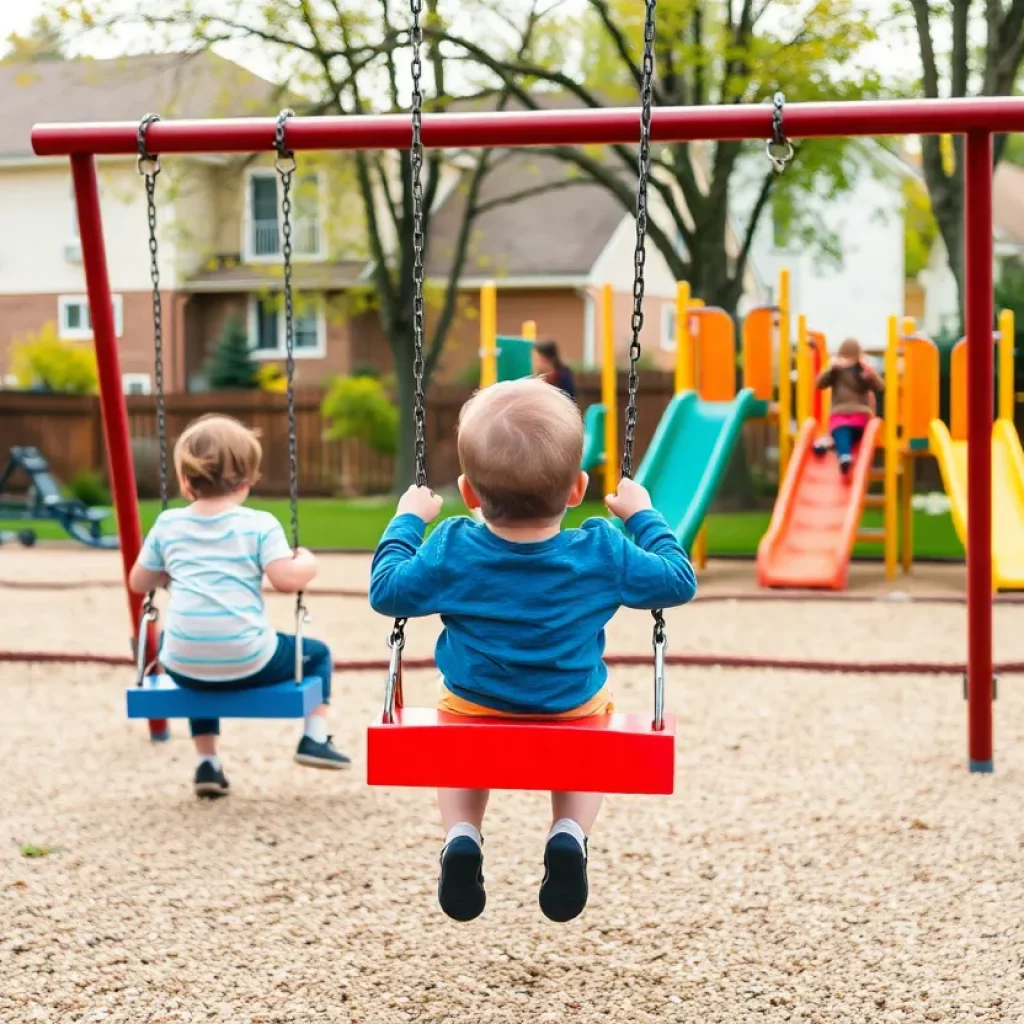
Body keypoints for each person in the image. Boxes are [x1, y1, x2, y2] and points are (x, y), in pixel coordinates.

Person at [369, 378, 696, 923]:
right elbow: (677, 580)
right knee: (593, 727)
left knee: (457, 740)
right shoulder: (603, 549)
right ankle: (568, 832)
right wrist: (641, 515)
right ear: (577, 489)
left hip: (475, 707)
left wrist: (408, 519)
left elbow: (387, 590)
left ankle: (462, 835)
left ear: (469, 493)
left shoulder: (452, 546)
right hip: (571, 708)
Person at [128, 414, 349, 799]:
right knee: (316, 654)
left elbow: (138, 582)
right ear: (247, 481)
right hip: (251, 659)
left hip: (182, 663)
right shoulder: (259, 525)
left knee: (195, 652)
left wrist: (169, 574)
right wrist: (308, 562)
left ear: (184, 480)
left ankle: (206, 763)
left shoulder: (168, 525)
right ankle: (315, 737)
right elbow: (285, 580)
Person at [813, 338, 885, 475]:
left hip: (848, 416)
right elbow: (820, 384)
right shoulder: (840, 372)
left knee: (841, 431)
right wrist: (831, 369)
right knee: (844, 433)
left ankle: (841, 453)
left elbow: (879, 386)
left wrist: (869, 373)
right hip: (855, 417)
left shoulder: (858, 372)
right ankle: (834, 447)